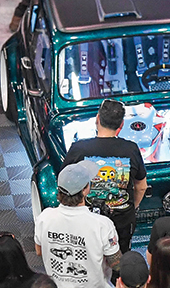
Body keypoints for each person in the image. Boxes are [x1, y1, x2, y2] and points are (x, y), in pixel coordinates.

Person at [34, 161, 122, 288]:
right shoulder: (101, 224)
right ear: (85, 190)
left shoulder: (45, 218)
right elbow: (116, 262)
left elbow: (38, 251)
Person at [62, 98, 147, 249]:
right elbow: (141, 186)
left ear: (97, 119)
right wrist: (131, 207)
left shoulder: (78, 148)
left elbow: (65, 183)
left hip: (86, 221)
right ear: (121, 125)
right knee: (120, 256)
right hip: (122, 221)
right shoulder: (131, 149)